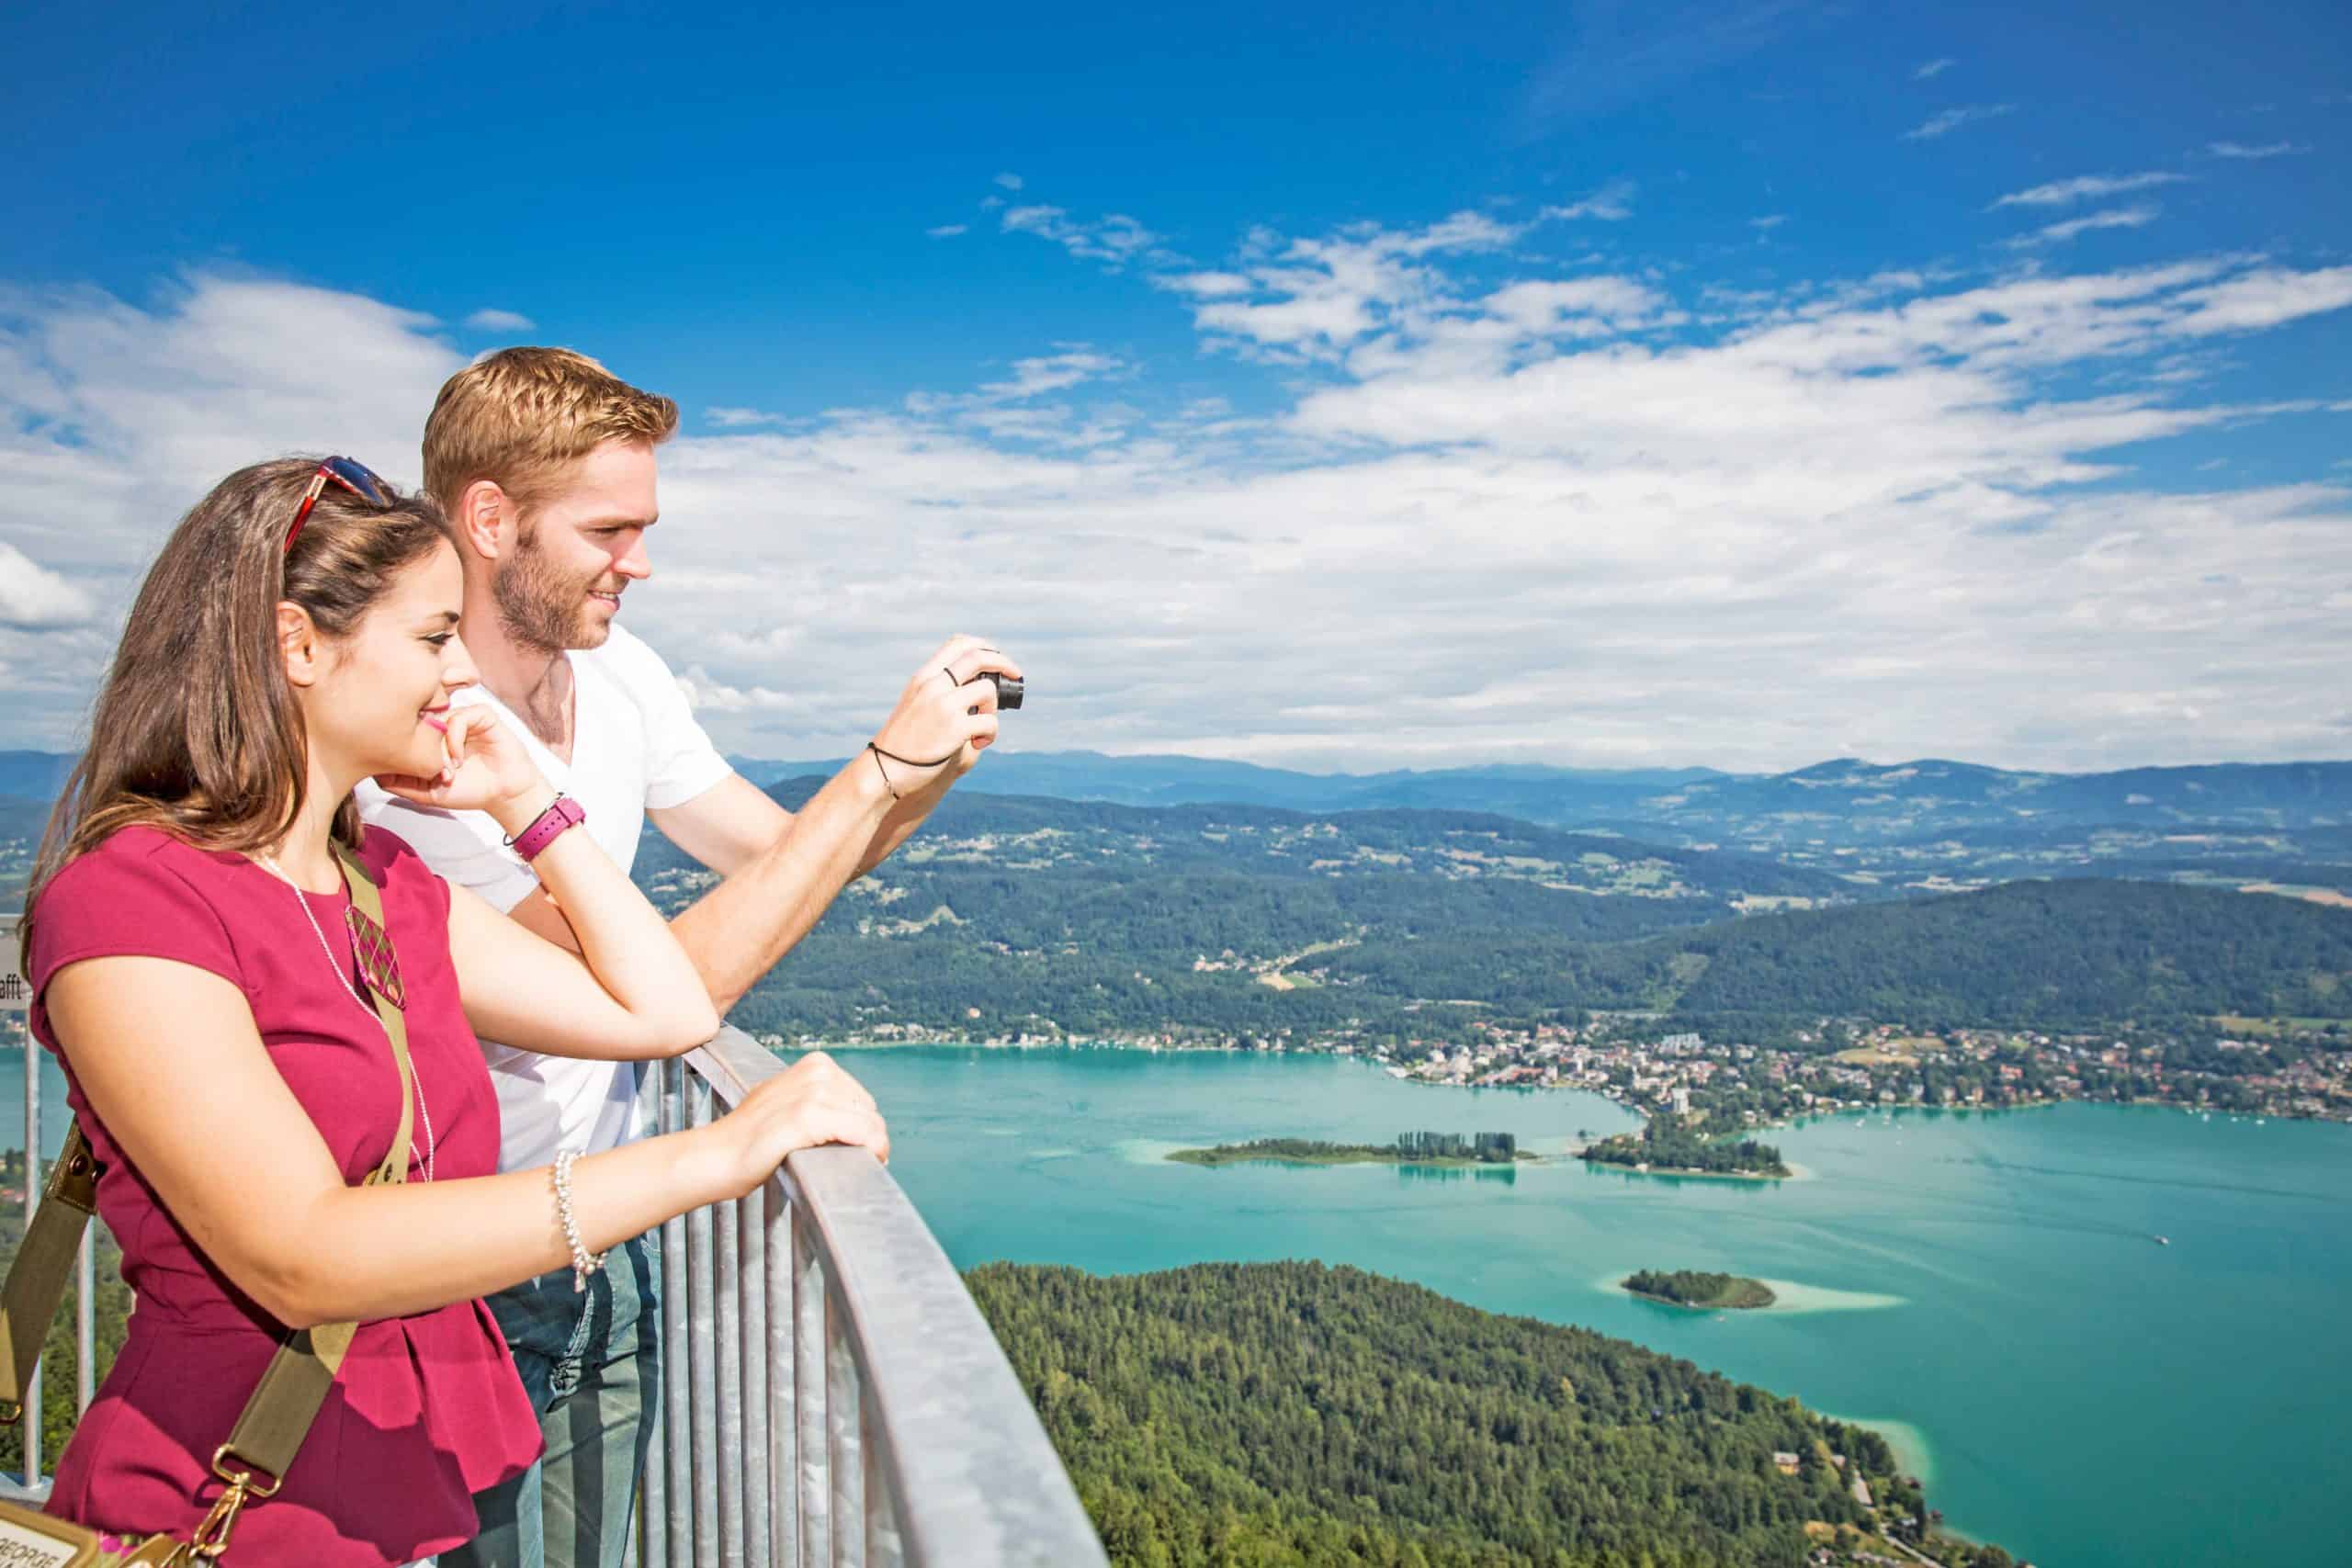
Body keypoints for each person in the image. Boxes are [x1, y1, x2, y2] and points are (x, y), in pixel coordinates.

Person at [18, 457, 891, 1566]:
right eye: (433, 640)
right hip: (222, 1513)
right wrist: (717, 1156)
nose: (459, 680)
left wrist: (529, 799)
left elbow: (663, 1010)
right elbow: (303, 1253)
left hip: (401, 1499)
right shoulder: (131, 900)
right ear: (297, 646)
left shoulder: (383, 885)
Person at [356, 347, 1020, 1568]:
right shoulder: (406, 754)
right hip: (459, 1272)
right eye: (611, 528)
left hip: (609, 1244)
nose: (642, 562)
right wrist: (876, 768)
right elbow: (653, 991)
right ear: (491, 519)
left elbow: (783, 855)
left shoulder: (623, 678)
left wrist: (918, 777)